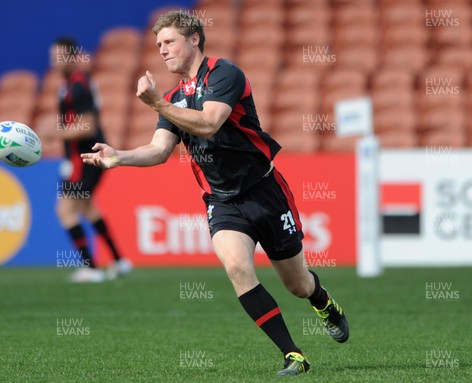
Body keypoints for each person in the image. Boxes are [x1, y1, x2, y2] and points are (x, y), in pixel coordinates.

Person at [81, 11, 348, 374]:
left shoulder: (225, 74)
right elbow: (159, 150)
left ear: (193, 39)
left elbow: (209, 123)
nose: (161, 50)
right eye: (158, 44)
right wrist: (119, 156)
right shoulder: (175, 97)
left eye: (169, 41)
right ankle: (293, 354)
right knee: (237, 267)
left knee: (298, 284)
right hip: (221, 200)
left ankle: (324, 303)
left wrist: (159, 104)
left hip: (265, 192)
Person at [50, 36, 132, 282]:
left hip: (83, 157)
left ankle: (92, 268)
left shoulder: (77, 85)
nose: (54, 62)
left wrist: (53, 133)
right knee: (86, 207)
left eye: (59, 56)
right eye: (52, 57)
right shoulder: (71, 84)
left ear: (73, 57)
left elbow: (87, 126)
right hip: (84, 157)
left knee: (65, 210)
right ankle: (119, 261)